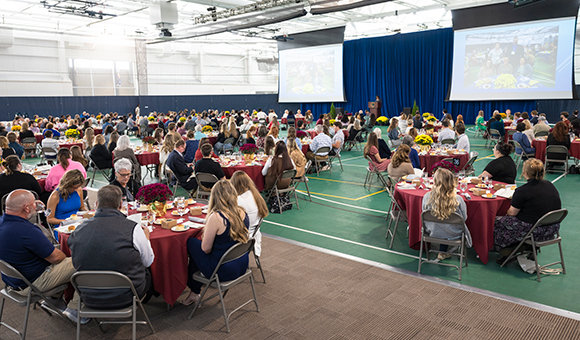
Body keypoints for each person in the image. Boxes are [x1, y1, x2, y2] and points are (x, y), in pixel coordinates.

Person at [0, 189, 86, 324]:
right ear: (26, 208)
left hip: (12, 281)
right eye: (34, 204)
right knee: (83, 262)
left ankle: (54, 299)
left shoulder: (3, 223)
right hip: (31, 283)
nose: (37, 205)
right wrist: (64, 254)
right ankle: (75, 309)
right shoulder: (27, 230)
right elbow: (56, 258)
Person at [68, 185, 154, 309]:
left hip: (89, 296)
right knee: (146, 271)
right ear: (120, 206)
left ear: (96, 204)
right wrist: (146, 239)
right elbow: (148, 261)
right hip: (126, 295)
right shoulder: (133, 228)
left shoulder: (78, 230)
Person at [181, 180, 250, 306]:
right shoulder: (243, 212)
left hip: (222, 270)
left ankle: (193, 290)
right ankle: (194, 291)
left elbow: (205, 249)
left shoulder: (217, 217)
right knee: (197, 253)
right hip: (242, 264)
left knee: (191, 243)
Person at [493, 159, 561, 260]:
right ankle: (522, 246)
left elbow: (512, 213)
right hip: (552, 228)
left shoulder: (522, 190)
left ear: (525, 173)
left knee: (498, 221)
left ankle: (506, 249)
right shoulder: (550, 185)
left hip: (534, 231)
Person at [422, 168, 471, 260]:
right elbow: (464, 218)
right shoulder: (458, 199)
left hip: (433, 231)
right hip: (453, 233)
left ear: (435, 180)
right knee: (448, 224)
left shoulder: (426, 197)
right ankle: (444, 251)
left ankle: (442, 251)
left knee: (441, 223)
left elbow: (424, 213)